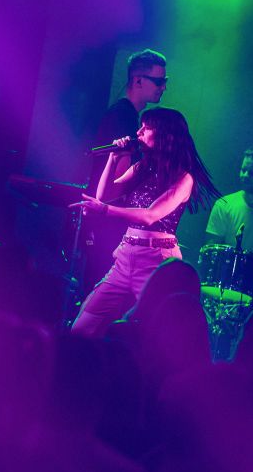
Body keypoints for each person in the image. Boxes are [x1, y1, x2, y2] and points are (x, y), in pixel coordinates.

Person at [69, 107, 219, 338]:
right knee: (82, 327)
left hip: (155, 260)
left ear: (166, 136)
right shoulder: (141, 167)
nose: (138, 132)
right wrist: (114, 158)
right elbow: (104, 195)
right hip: (125, 256)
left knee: (156, 332)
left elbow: (150, 215)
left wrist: (105, 211)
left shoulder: (183, 178)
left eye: (146, 128)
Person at [82, 49, 169, 294]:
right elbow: (119, 183)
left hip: (108, 218)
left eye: (165, 81)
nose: (164, 87)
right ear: (138, 80)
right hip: (107, 223)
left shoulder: (128, 116)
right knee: (100, 290)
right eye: (159, 81)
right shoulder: (123, 118)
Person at [203, 146, 253, 259]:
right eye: (243, 170)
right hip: (229, 268)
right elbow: (211, 249)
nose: (245, 175)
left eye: (252, 173)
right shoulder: (224, 204)